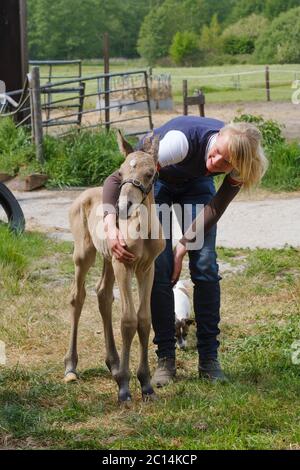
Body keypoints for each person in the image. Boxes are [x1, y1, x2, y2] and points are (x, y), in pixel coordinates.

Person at [102, 116, 268, 386]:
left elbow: (215, 208)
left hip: (196, 186)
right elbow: (115, 179)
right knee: (161, 267)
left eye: (226, 164)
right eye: (216, 154)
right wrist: (110, 226)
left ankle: (209, 359)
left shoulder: (242, 162)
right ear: (216, 142)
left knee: (205, 266)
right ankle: (165, 357)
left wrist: (183, 245)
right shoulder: (178, 144)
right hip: (158, 183)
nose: (216, 164)